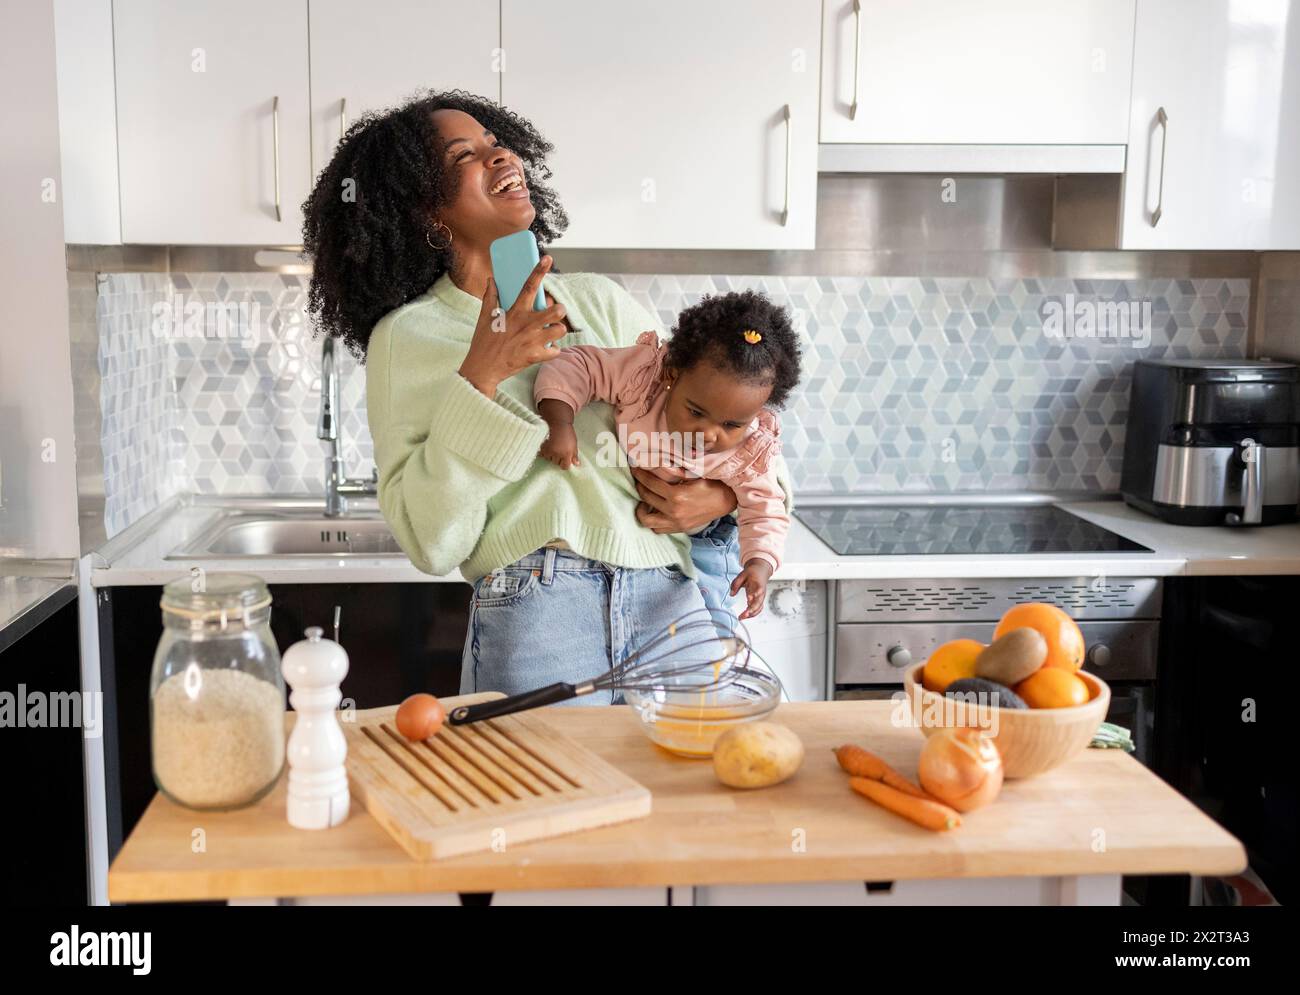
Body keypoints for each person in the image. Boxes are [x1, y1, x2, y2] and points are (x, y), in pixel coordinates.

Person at [300, 90, 788, 703]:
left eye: (495, 143)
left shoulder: (597, 300)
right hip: (537, 606)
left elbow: (739, 429)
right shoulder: (409, 338)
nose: (499, 156)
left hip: (668, 596)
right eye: (465, 157)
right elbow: (431, 542)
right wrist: (478, 380)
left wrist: (716, 499)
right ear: (429, 212)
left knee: (688, 792)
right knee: (542, 794)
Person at [534, 290, 801, 619]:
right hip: (643, 543)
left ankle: (721, 646)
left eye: (732, 424)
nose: (708, 434)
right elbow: (577, 365)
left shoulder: (748, 450)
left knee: (711, 617)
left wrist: (759, 564)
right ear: (672, 374)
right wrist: (559, 422)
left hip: (709, 538)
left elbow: (765, 511)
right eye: (695, 411)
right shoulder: (643, 378)